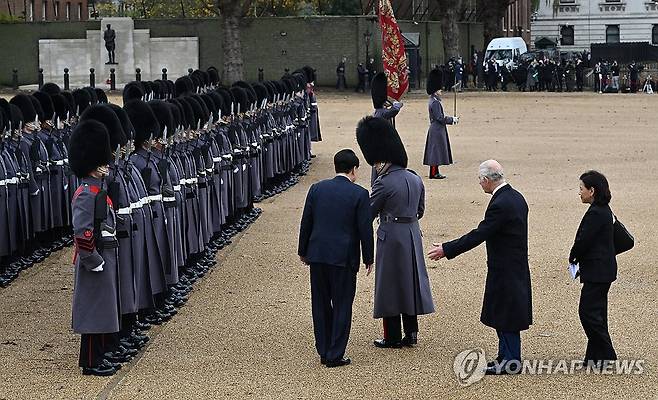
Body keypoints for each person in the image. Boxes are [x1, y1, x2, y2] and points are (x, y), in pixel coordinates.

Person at [428, 160, 532, 375]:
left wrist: (447, 249)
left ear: (486, 180)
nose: (479, 183)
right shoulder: (516, 197)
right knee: (503, 312)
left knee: (506, 314)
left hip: (506, 268)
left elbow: (480, 234)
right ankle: (505, 356)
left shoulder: (501, 203)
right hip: (512, 265)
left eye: (480, 180)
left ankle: (511, 360)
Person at [356, 116, 435, 349]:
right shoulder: (415, 177)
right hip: (412, 232)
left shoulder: (384, 183)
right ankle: (411, 334)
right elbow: (420, 210)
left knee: (389, 284)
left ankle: (391, 336)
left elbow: (368, 213)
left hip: (390, 235)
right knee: (410, 283)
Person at [298, 149, 374, 368]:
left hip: (318, 255)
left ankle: (323, 349)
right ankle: (335, 353)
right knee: (342, 305)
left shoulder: (317, 189)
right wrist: (368, 257)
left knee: (320, 304)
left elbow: (307, 222)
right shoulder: (359, 194)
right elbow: (364, 229)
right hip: (343, 257)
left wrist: (303, 250)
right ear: (354, 169)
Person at [69, 119, 121, 376]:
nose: (106, 165)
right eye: (101, 161)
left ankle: (100, 356)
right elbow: (82, 231)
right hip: (95, 257)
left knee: (102, 309)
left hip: (104, 253)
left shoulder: (98, 189)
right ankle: (90, 361)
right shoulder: (86, 192)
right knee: (92, 311)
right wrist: (92, 258)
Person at [569, 170, 617, 365]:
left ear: (592, 190)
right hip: (603, 269)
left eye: (581, 189)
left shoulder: (597, 212)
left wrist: (573, 256)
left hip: (598, 271)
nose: (579, 192)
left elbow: (583, 240)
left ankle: (606, 353)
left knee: (587, 313)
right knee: (597, 314)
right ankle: (594, 357)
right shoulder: (604, 209)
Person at [423, 68, 458, 179]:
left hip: (437, 128)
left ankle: (435, 172)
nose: (441, 91)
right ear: (436, 90)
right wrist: (452, 120)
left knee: (436, 151)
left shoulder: (434, 100)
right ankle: (433, 173)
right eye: (439, 90)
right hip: (437, 129)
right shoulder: (435, 102)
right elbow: (439, 117)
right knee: (435, 152)